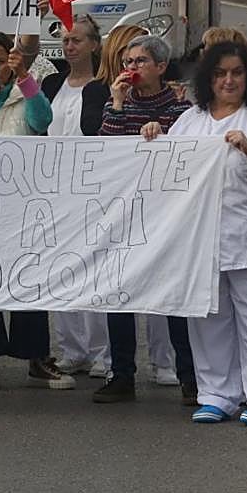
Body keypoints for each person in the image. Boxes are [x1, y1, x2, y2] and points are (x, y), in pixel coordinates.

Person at [165, 41, 247, 426]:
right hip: (204, 243)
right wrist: (153, 133)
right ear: (208, 77)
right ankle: (217, 394)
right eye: (221, 73)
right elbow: (164, 172)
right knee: (210, 322)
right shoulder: (191, 119)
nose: (229, 80)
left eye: (237, 72)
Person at [0, 33, 72, 393]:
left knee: (29, 277)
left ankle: (36, 357)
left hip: (23, 202)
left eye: (2, 58)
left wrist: (25, 81)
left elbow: (42, 121)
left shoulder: (27, 90)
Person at [93, 33, 198, 405]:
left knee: (172, 297)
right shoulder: (117, 103)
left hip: (167, 217)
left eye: (139, 62)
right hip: (126, 213)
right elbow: (108, 147)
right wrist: (118, 104)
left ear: (160, 66)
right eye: (128, 62)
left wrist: (162, 135)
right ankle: (121, 374)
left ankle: (190, 377)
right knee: (119, 293)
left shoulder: (180, 107)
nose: (131, 69)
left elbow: (186, 153)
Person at [40, 15, 111, 378]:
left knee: (94, 269)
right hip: (55, 187)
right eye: (66, 40)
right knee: (61, 267)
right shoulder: (52, 83)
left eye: (78, 40)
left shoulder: (104, 86)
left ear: (94, 45)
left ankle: (102, 352)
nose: (70, 46)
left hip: (92, 187)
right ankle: (72, 348)